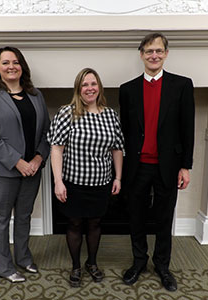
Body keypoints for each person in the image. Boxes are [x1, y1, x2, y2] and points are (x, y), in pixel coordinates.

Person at [119, 33, 195, 291]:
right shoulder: (127, 90)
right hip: (137, 167)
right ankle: (139, 261)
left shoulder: (182, 86)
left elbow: (188, 129)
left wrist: (186, 166)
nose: (154, 55)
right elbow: (126, 131)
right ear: (141, 54)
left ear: (166, 54)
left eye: (159, 51)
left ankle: (163, 266)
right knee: (136, 218)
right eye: (149, 51)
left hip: (168, 166)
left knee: (164, 219)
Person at [0, 46, 50, 283]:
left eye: (16, 62)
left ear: (22, 66)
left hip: (33, 169)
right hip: (3, 171)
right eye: (5, 62)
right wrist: (18, 162)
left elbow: (47, 132)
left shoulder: (36, 95)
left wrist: (38, 158)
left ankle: (24, 258)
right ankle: (4, 267)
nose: (11, 66)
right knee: (1, 218)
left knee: (24, 216)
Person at [48, 68, 124, 287]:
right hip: (74, 183)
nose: (89, 88)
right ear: (78, 89)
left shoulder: (110, 115)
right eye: (84, 85)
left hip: (101, 182)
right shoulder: (67, 112)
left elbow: (117, 148)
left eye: (93, 84)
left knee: (95, 223)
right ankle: (76, 266)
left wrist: (118, 178)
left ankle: (92, 263)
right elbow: (56, 149)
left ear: (99, 87)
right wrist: (58, 181)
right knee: (74, 224)